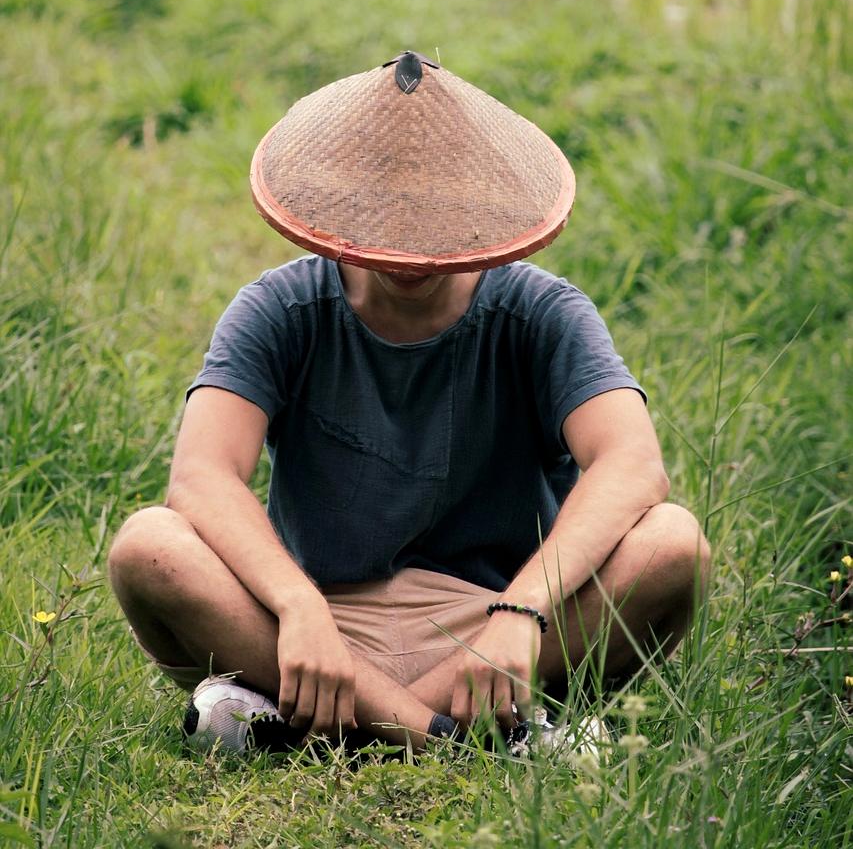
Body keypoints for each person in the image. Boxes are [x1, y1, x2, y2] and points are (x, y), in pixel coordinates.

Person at [108, 51, 710, 754]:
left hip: (495, 630)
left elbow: (632, 465)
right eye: (386, 226)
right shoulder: (280, 306)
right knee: (148, 545)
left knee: (672, 543)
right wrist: (298, 605)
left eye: (434, 228)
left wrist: (521, 610)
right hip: (315, 631)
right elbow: (202, 475)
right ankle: (463, 739)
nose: (409, 259)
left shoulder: (542, 312)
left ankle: (323, 729)